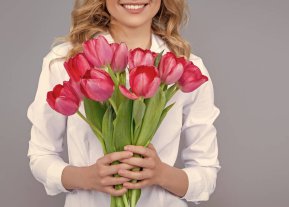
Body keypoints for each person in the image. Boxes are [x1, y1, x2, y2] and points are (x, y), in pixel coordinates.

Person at [27, 0, 221, 206]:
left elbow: (206, 173)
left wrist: (161, 174)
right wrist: (86, 177)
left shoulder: (185, 66)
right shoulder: (65, 60)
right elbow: (41, 155)